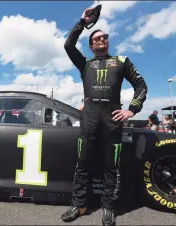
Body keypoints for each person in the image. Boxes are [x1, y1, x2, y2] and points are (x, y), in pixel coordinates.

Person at [61, 7, 148, 226]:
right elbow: (68, 45)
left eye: (104, 37)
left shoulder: (121, 61)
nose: (101, 40)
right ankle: (78, 205)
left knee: (112, 166)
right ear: (91, 46)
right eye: (96, 38)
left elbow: (141, 85)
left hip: (112, 120)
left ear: (108, 42)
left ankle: (109, 208)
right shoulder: (85, 64)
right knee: (82, 164)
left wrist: (132, 109)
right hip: (89, 118)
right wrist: (82, 21)